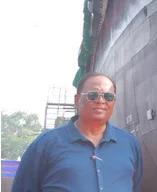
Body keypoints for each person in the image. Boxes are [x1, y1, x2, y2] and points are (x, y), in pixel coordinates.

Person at [12, 73, 142, 192]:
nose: (101, 101)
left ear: (114, 101)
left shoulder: (129, 144)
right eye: (93, 95)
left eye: (108, 96)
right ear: (76, 100)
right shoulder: (45, 144)